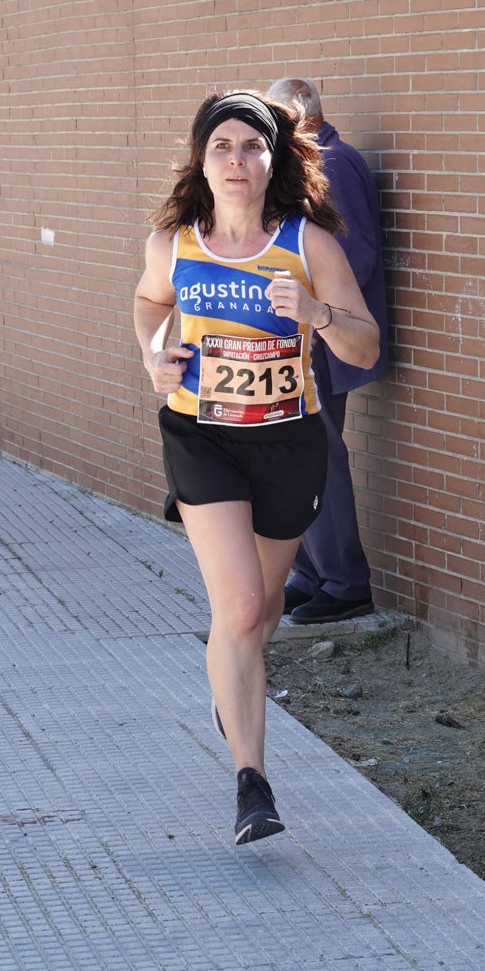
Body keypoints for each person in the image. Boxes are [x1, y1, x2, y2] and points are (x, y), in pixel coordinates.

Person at [133, 91, 379, 845]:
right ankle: (253, 784)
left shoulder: (309, 246)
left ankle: (230, 680)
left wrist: (317, 315)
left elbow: (363, 349)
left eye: (251, 146)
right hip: (201, 438)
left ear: (272, 160)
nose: (236, 160)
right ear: (200, 160)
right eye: (221, 147)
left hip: (288, 443)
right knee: (238, 609)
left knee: (262, 610)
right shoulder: (174, 242)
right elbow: (149, 303)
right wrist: (154, 355)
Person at [266, 78, 389, 624]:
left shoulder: (333, 164)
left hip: (324, 332)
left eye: (274, 117)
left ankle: (346, 583)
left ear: (298, 115)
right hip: (308, 329)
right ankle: (313, 572)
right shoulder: (318, 163)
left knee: (318, 451)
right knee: (299, 450)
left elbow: (354, 259)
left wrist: (319, 315)